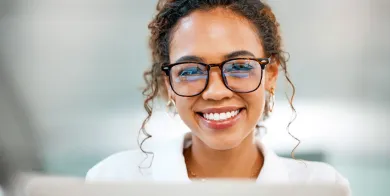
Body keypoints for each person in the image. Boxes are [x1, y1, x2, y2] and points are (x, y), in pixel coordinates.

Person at [86, 0, 350, 188]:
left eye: (239, 67)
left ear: (270, 74)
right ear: (168, 84)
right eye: (190, 71)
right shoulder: (112, 180)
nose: (215, 92)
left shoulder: (322, 187)